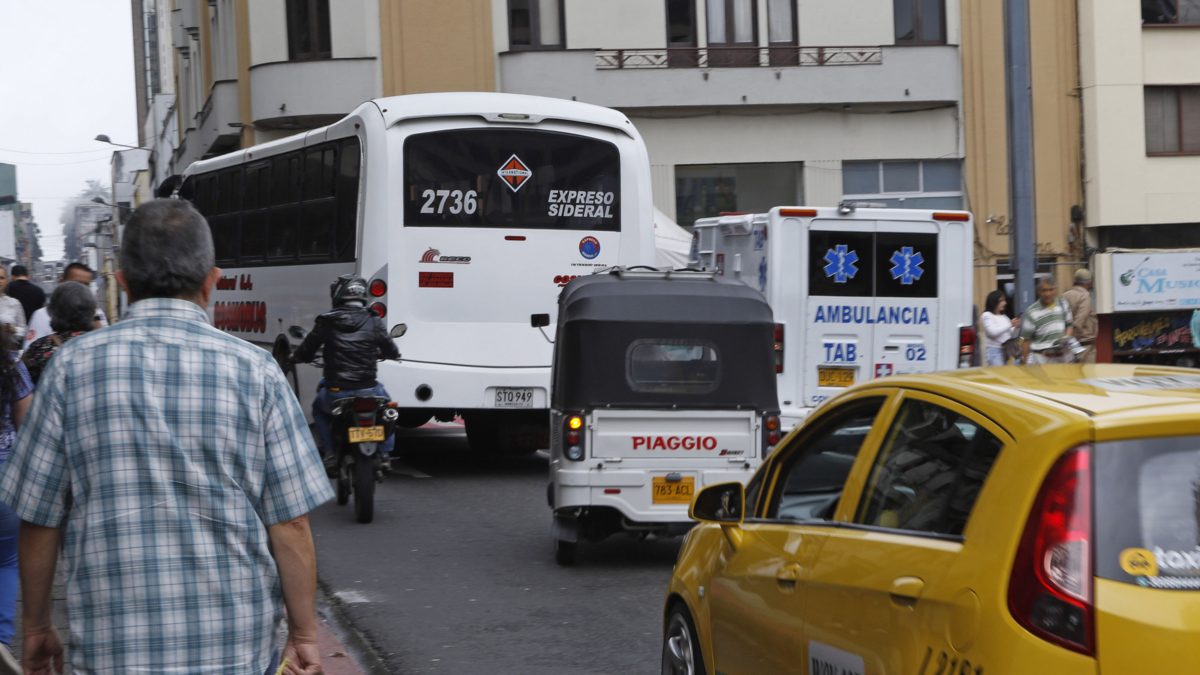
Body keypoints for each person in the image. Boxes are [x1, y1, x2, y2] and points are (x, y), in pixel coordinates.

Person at [0, 199, 332, 675]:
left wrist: (36, 626)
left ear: (123, 283)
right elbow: (291, 523)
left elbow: (39, 516)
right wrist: (303, 636)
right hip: (235, 650)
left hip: (113, 652)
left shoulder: (70, 368)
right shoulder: (257, 370)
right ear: (211, 281)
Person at [293, 274, 400, 470]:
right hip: (369, 388)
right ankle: (385, 453)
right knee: (388, 409)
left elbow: (307, 349)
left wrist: (297, 357)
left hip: (336, 391)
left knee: (318, 409)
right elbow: (391, 349)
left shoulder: (326, 321)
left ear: (337, 294)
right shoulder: (374, 320)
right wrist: (390, 354)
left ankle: (330, 453)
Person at [0, 347, 32, 675]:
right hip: (4, 477)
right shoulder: (10, 362)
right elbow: (28, 425)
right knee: (6, 561)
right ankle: (1, 638)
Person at [21, 282, 96, 385]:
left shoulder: (38, 347)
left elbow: (23, 384)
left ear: (52, 310)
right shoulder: (99, 345)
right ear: (91, 311)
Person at [22, 263, 108, 349]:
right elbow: (30, 350)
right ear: (61, 283)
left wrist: (95, 317)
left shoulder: (97, 313)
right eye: (75, 284)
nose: (81, 289)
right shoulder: (42, 315)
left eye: (86, 285)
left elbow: (106, 345)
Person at [1020, 276, 1074, 365]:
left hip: (1061, 358)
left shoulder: (1063, 304)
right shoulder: (1031, 312)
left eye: (1051, 289)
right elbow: (1026, 340)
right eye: (1044, 290)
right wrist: (1025, 363)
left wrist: (1065, 338)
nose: (1048, 294)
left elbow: (1069, 324)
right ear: (1038, 291)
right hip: (1040, 359)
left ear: (1055, 290)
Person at [1061, 269, 1097, 364]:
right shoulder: (1084, 297)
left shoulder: (1064, 296)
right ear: (1089, 283)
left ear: (1074, 281)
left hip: (1067, 346)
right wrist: (1073, 344)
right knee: (1086, 373)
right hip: (1083, 346)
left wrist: (1067, 344)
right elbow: (1079, 323)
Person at [980, 290, 1021, 366]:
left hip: (1008, 350)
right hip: (995, 351)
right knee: (999, 372)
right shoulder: (987, 315)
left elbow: (1012, 335)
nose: (1005, 303)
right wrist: (1010, 324)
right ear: (994, 301)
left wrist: (1016, 327)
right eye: (1001, 300)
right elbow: (993, 332)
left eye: (1004, 300)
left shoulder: (1004, 317)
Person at [0, 270, 26, 353]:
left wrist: (14, 329)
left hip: (9, 352)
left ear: (7, 281)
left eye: (2, 278)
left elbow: (24, 330)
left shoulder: (14, 303)